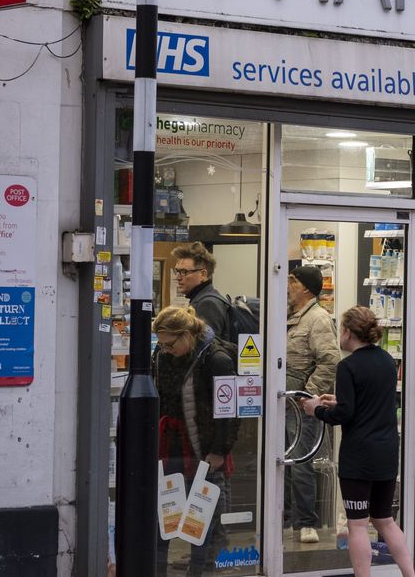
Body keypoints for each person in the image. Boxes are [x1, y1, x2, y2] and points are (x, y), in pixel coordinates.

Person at [301, 306, 412, 577]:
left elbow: (345, 415)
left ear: (348, 332)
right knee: (385, 520)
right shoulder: (387, 361)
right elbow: (370, 403)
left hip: (359, 457)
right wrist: (339, 402)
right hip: (387, 452)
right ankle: (411, 574)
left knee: (358, 524)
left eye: (341, 329)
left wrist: (316, 409)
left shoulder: (347, 366)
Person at [152, 306, 237, 577]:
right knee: (165, 512)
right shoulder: (162, 356)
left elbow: (229, 411)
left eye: (170, 344)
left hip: (203, 448)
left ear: (186, 335)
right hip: (170, 446)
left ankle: (199, 570)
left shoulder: (216, 359)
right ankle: (159, 568)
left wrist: (219, 450)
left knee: (200, 516)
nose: (165, 350)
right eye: (161, 344)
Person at [284, 265, 341, 544]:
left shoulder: (318, 318)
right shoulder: (287, 315)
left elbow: (330, 360)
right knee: (281, 462)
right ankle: (283, 521)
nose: (287, 285)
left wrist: (308, 395)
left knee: (301, 462)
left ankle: (306, 523)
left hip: (300, 403)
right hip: (282, 401)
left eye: (292, 281)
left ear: (306, 288)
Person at [171, 241, 230, 342]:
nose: (177, 277)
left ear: (202, 274)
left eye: (184, 272)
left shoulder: (208, 304)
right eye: (177, 271)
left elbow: (206, 346)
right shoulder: (201, 299)